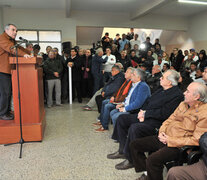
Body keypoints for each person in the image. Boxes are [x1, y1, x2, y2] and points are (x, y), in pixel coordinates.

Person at [108, 70, 184, 171]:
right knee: (122, 118)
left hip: (158, 122)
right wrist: (142, 111)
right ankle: (122, 150)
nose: (160, 78)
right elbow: (148, 101)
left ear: (169, 82)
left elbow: (165, 113)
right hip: (147, 115)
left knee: (135, 128)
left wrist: (146, 114)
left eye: (163, 77)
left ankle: (134, 160)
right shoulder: (161, 89)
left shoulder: (176, 95)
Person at [129, 82, 207, 180]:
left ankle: (151, 173)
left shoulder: (204, 113)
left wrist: (170, 140)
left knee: (152, 160)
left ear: (197, 96)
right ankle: (148, 173)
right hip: (165, 137)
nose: (184, 93)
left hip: (179, 145)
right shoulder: (183, 104)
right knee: (135, 145)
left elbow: (196, 140)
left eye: (187, 91)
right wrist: (162, 132)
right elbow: (169, 119)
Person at [0, 24, 31, 120]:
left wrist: (29, 53)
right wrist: (24, 55)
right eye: (13, 30)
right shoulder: (2, 38)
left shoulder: (11, 40)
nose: (15, 32)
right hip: (2, 70)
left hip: (8, 70)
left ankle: (7, 111)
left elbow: (19, 48)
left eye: (16, 30)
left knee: (8, 92)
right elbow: (11, 48)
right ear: (6, 30)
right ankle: (2, 113)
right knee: (5, 93)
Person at [94, 67, 133, 132]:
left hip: (121, 102)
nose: (125, 73)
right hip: (117, 99)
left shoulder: (129, 82)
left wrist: (116, 99)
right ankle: (102, 121)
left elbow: (125, 96)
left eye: (127, 72)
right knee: (104, 102)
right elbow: (118, 91)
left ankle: (105, 126)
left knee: (107, 105)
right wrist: (114, 97)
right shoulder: (126, 81)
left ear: (132, 74)